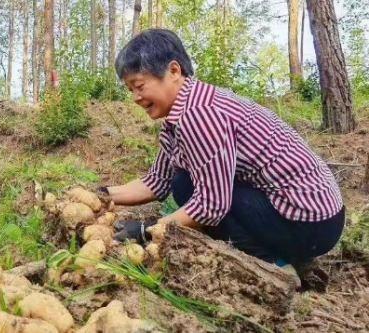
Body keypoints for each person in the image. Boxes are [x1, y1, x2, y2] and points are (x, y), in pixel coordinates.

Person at [105, 29, 344, 282]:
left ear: (173, 71)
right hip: (304, 216)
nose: (135, 98)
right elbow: (156, 182)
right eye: (130, 89)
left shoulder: (200, 114)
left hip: (311, 223)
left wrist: (147, 230)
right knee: (182, 182)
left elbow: (211, 206)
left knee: (186, 187)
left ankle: (275, 265)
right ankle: (285, 252)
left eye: (139, 86)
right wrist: (101, 195)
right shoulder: (178, 117)